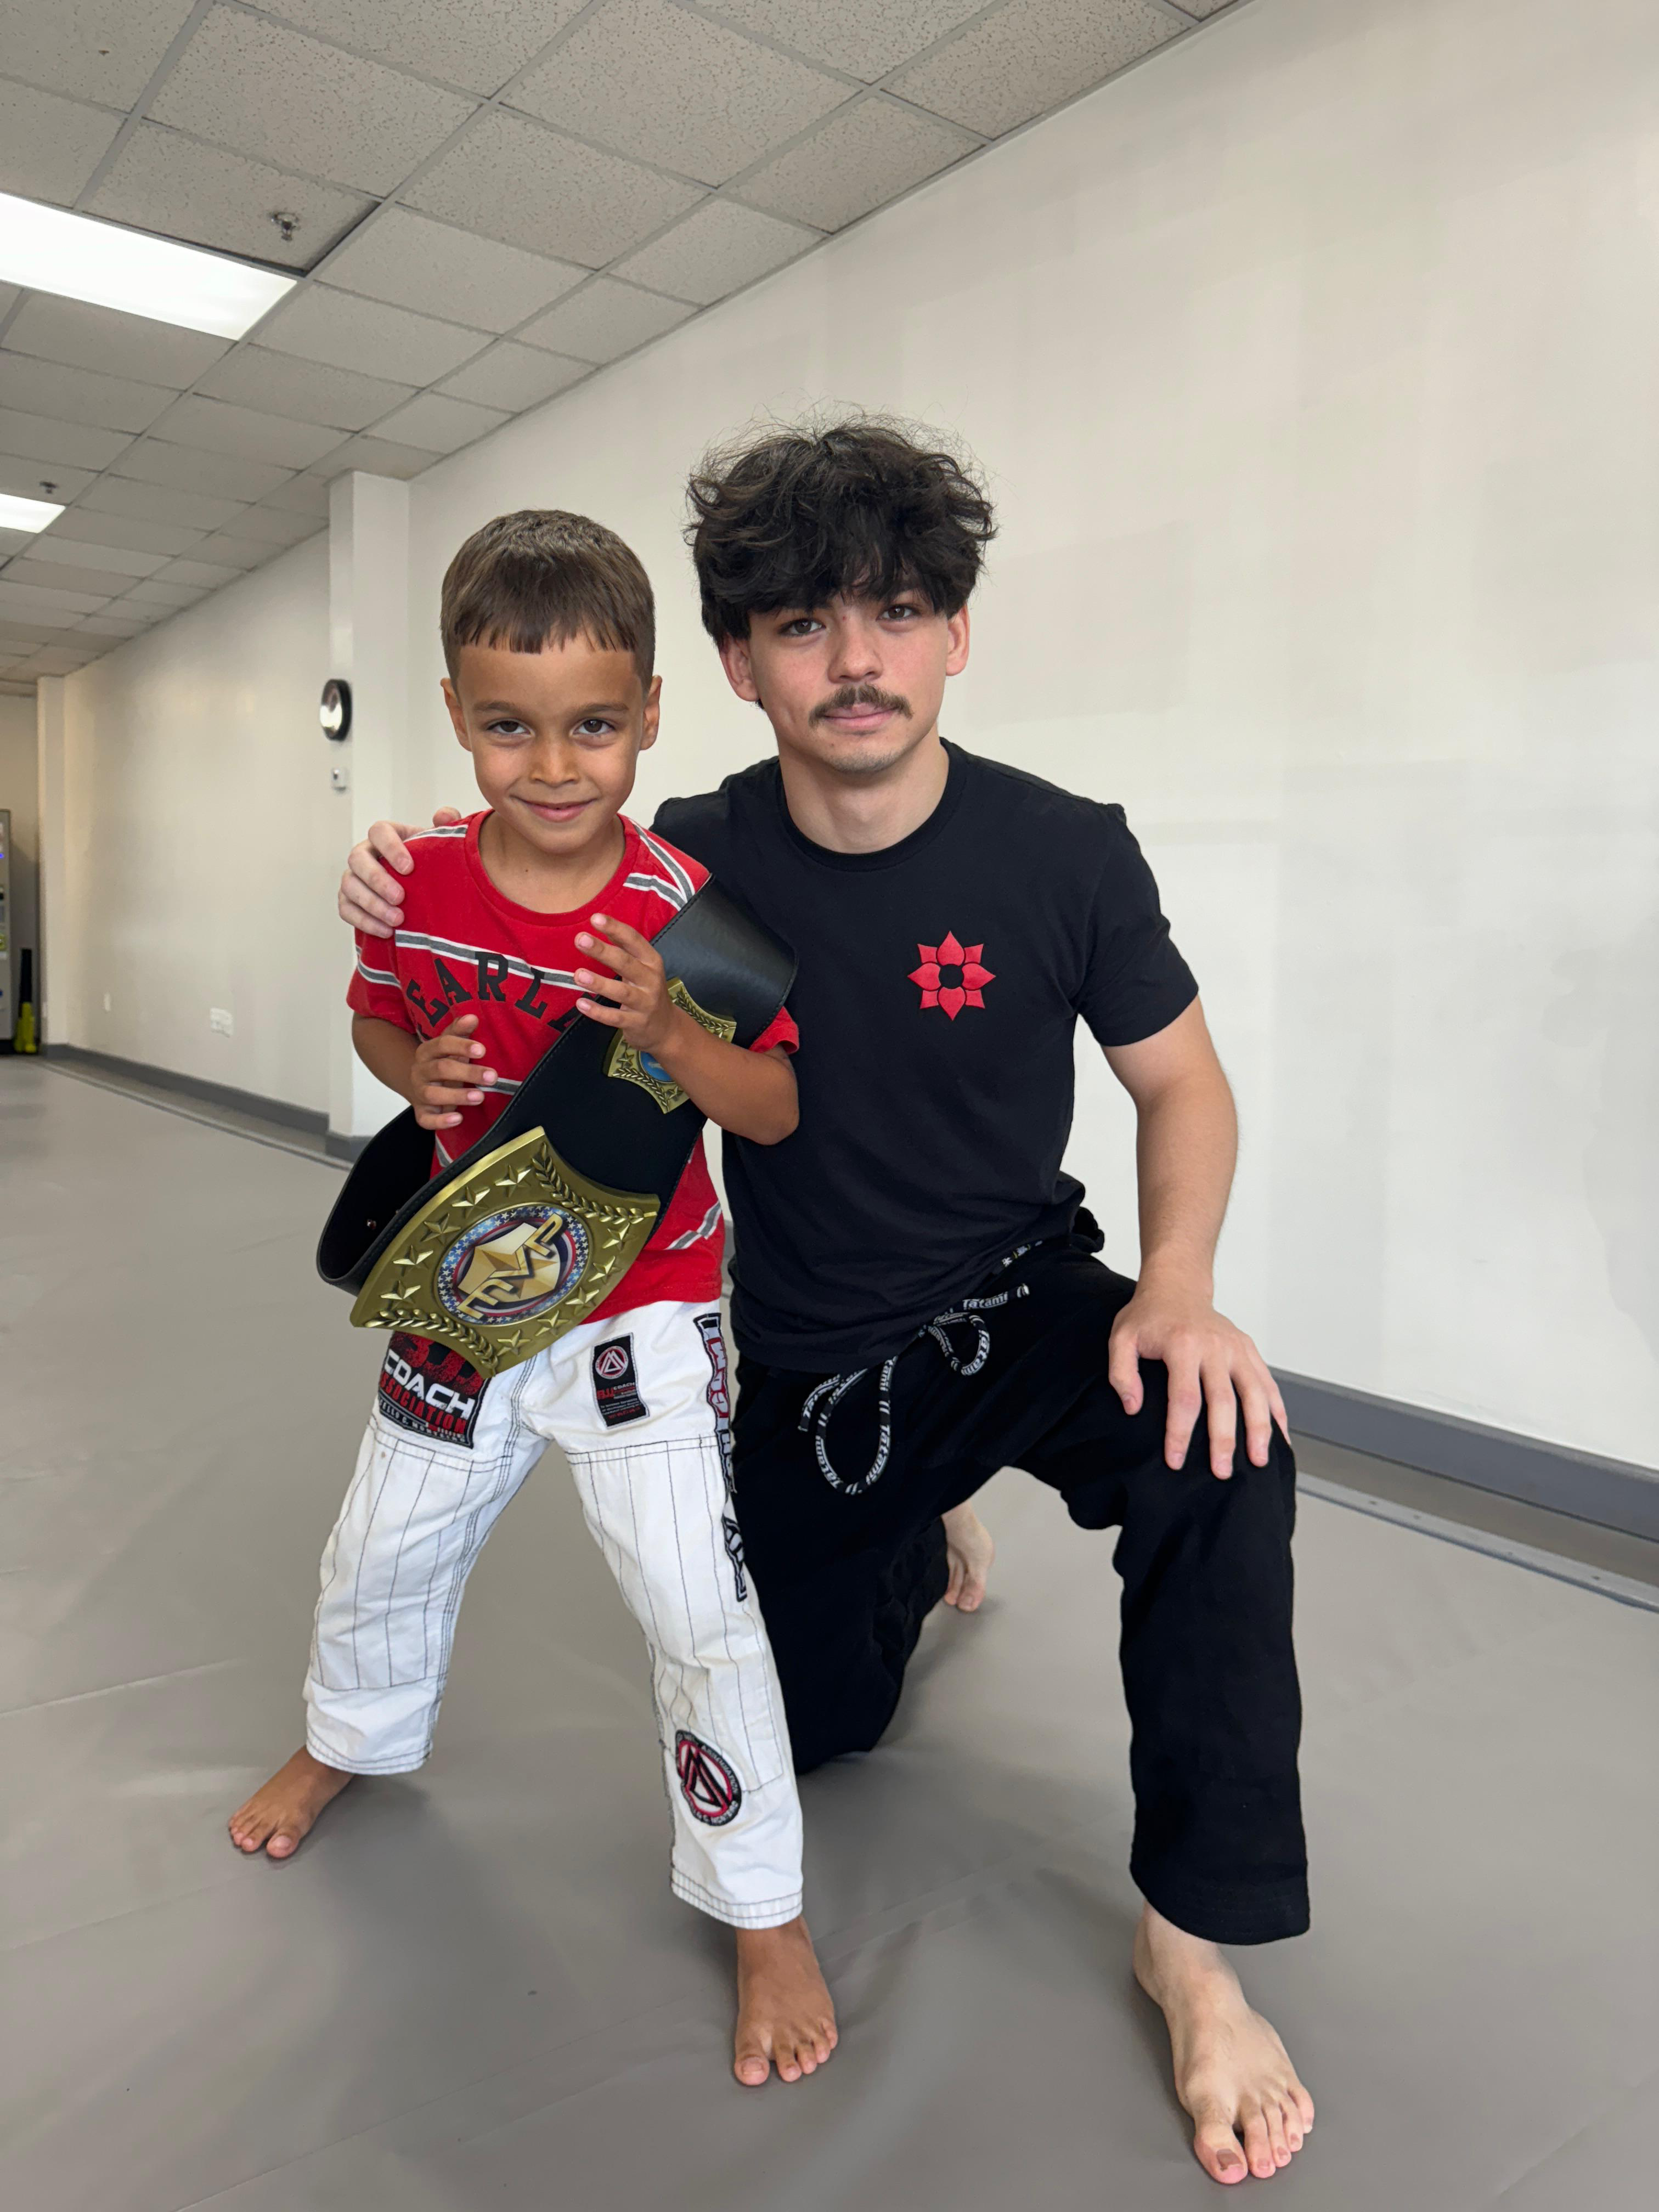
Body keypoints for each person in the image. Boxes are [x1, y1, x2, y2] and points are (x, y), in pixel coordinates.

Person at [341, 424, 1316, 2186]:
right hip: (800, 1361)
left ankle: (1194, 1937)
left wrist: (1179, 1290)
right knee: (819, 1734)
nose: (853, 658)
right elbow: (514, 852)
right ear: (733, 664)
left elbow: (1186, 1085)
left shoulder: (1063, 854)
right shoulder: (697, 861)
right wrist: (393, 875)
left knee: (1224, 1452)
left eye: (897, 611)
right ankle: (917, 1525)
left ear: (957, 634)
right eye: (801, 623)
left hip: (1019, 1303)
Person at [232, 510, 838, 2092]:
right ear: (456, 714)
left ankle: (760, 1904)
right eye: (510, 725)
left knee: (697, 1608)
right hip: (465, 1291)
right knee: (383, 1540)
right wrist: (408, 1067)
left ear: (648, 716)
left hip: (643, 1305)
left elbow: (769, 1114)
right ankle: (352, 1738)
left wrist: (676, 1029)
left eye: (591, 726)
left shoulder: (690, 907)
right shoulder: (416, 879)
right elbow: (382, 1026)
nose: (553, 765)